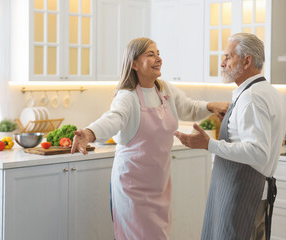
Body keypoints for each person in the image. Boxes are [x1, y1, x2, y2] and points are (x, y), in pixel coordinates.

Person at [71, 37, 228, 239]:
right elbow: (113, 118)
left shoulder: (164, 89)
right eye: (150, 54)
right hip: (132, 185)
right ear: (134, 63)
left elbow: (188, 108)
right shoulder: (127, 96)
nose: (158, 59)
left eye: (158, 54)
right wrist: (90, 133)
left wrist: (211, 106)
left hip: (159, 183)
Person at [174, 33, 286, 240]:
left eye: (227, 57)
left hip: (243, 196)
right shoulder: (265, 91)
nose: (222, 63)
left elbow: (258, 152)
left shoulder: (252, 97)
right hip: (246, 194)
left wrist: (210, 144)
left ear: (247, 61)